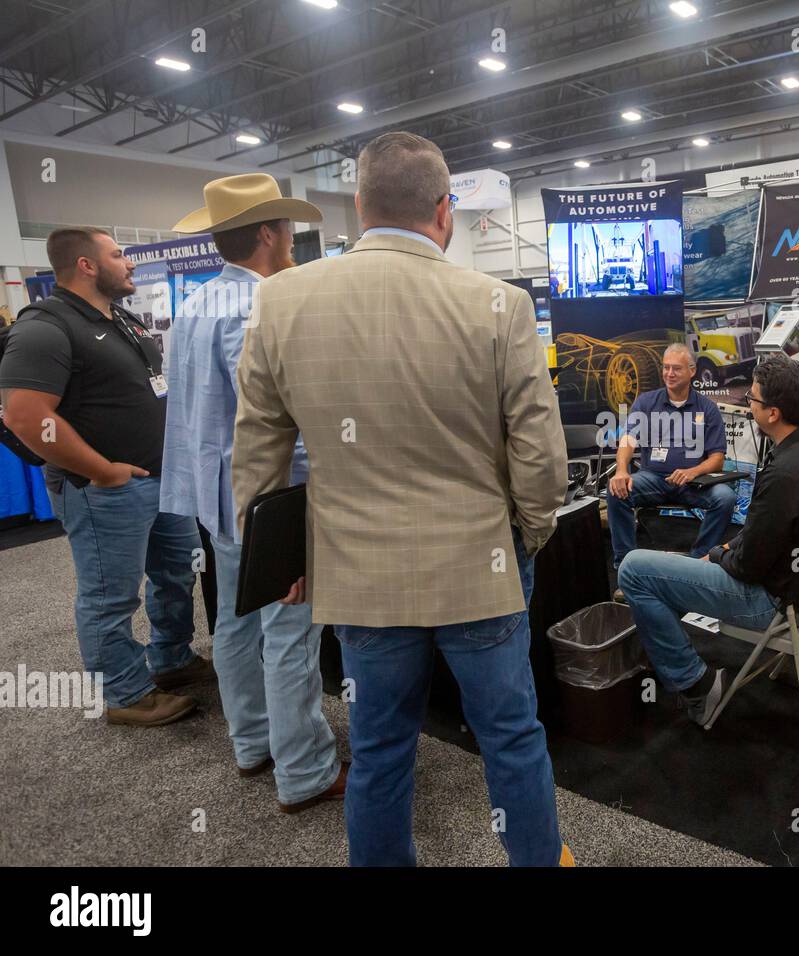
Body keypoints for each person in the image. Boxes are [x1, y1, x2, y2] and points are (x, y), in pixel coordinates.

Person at [231, 131, 571, 867]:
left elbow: (257, 452)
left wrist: (273, 562)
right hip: (481, 566)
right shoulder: (500, 304)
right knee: (512, 740)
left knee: (381, 750)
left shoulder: (281, 301)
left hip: (359, 577)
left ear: (358, 206)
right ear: (445, 211)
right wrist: (533, 533)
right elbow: (540, 455)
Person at [161, 174, 345, 811]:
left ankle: (253, 742)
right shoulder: (259, 304)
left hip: (215, 497)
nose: (293, 240)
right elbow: (269, 416)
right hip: (269, 497)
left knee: (236, 623)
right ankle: (305, 770)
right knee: (289, 629)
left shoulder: (197, 303)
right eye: (288, 230)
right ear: (269, 233)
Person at [0, 227, 214, 725]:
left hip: (162, 479)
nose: (130, 263)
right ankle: (123, 692)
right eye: (118, 255)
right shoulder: (45, 326)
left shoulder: (117, 316)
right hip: (104, 489)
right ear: (87, 265)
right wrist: (102, 470)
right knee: (110, 594)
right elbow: (25, 415)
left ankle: (172, 659)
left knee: (176, 575)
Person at [618, 356, 799, 726]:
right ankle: (665, 648)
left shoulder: (786, 474)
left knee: (634, 570)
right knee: (665, 571)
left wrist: (714, 554)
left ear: (773, 413)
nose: (749, 405)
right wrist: (723, 551)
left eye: (753, 400)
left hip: (773, 603)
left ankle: (695, 684)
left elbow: (747, 567)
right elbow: (764, 537)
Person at [606, 343, 733, 569]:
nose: (669, 374)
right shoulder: (646, 402)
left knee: (725, 498)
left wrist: (691, 472)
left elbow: (717, 459)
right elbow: (627, 440)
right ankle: (625, 564)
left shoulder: (707, 408)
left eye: (676, 368)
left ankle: (699, 561)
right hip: (653, 478)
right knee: (616, 490)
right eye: (666, 368)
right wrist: (622, 470)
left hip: (693, 483)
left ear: (692, 371)